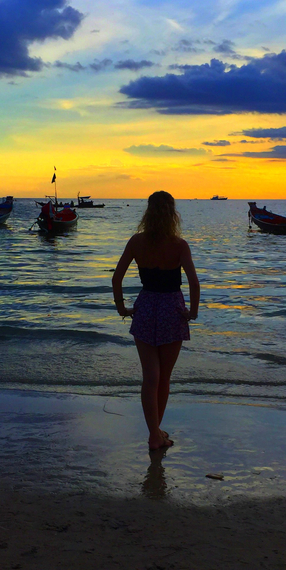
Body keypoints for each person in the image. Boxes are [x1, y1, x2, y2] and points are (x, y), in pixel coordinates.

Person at [112, 191, 200, 451]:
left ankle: (155, 433)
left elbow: (116, 278)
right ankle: (155, 435)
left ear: (148, 213)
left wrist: (121, 308)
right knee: (164, 378)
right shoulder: (179, 245)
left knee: (150, 377)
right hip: (172, 309)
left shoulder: (136, 242)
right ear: (172, 214)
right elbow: (194, 283)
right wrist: (193, 312)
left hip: (146, 307)